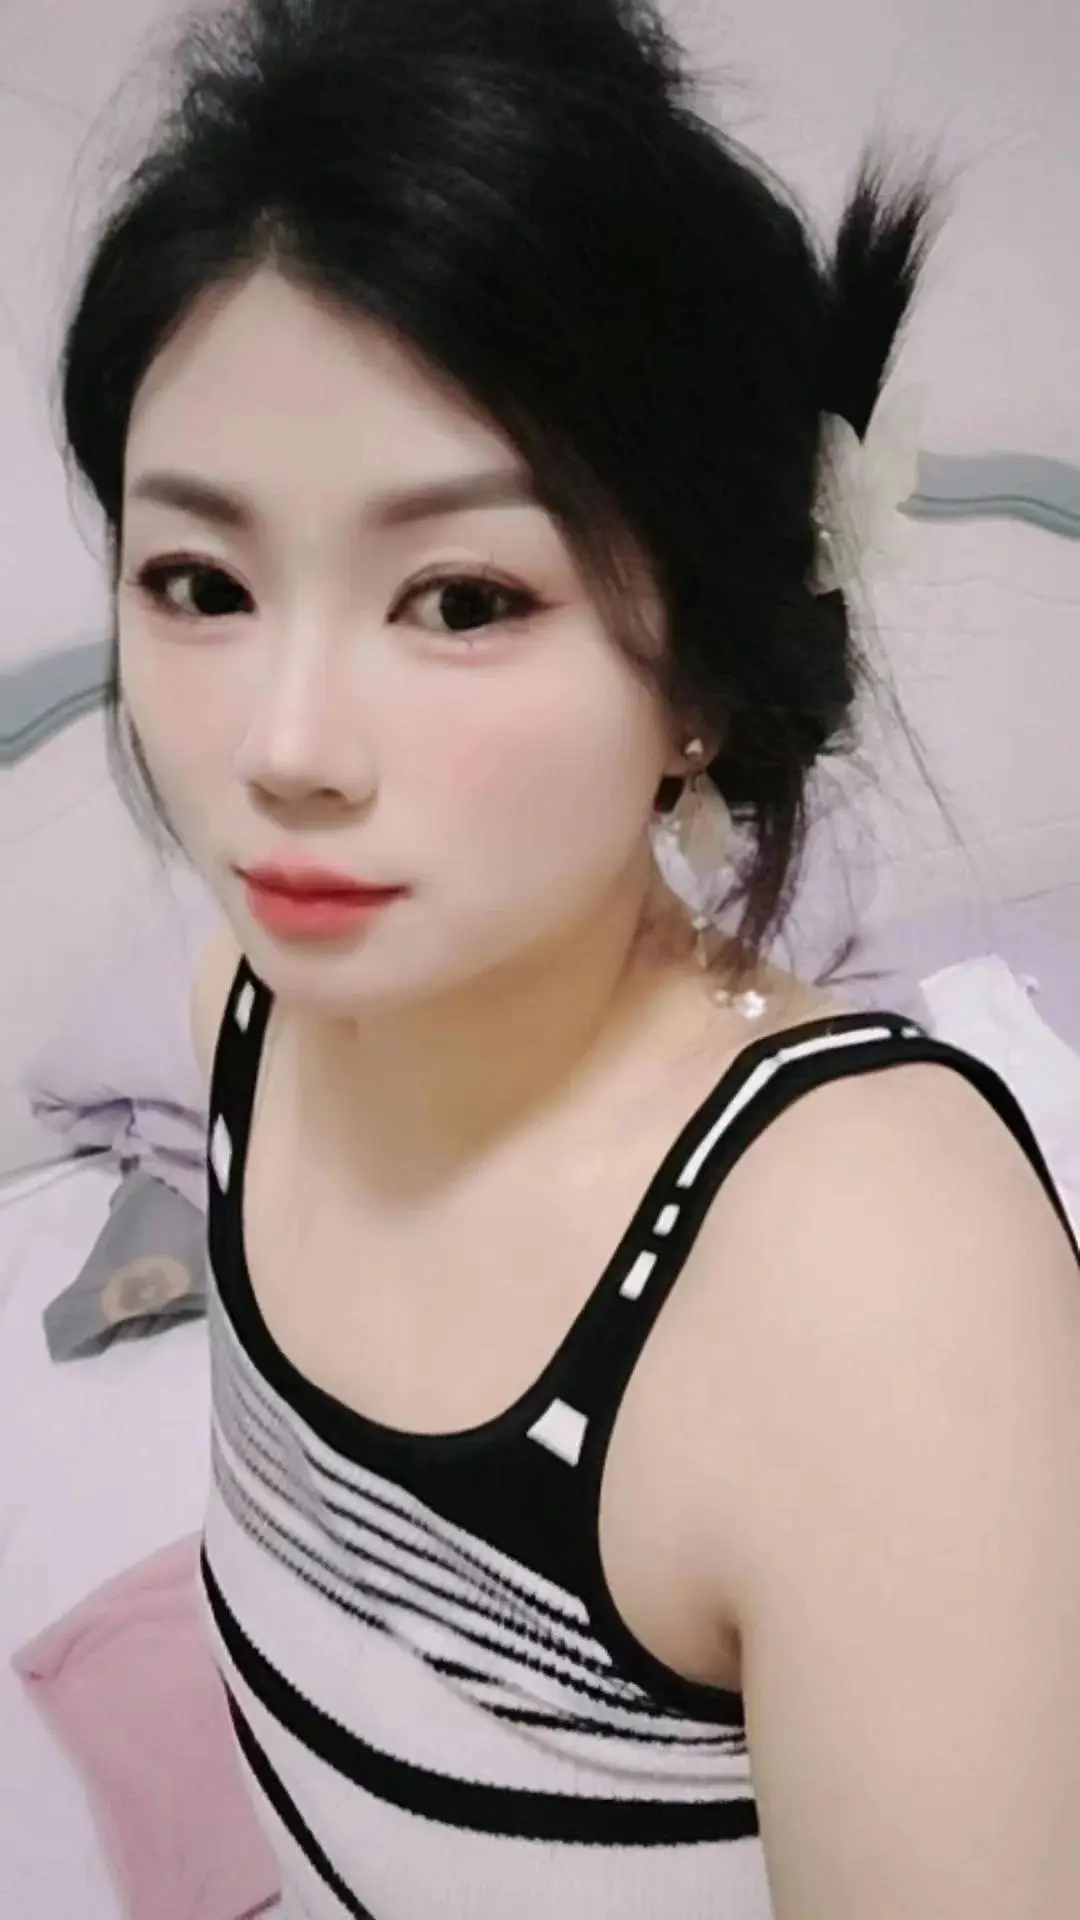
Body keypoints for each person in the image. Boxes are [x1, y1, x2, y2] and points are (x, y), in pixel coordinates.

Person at [59, 0, 1080, 1914]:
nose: (284, 745)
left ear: (705, 671)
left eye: (462, 598)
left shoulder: (876, 1289)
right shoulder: (246, 1020)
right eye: (200, 582)